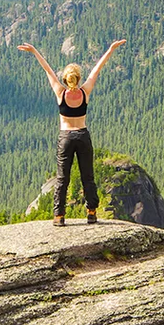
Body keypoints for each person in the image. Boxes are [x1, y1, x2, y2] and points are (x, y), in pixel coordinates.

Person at [18, 39, 127, 226]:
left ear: (66, 78)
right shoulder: (85, 92)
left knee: (62, 178)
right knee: (87, 177)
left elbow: (48, 70)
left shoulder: (60, 93)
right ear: (78, 77)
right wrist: (110, 49)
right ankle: (91, 212)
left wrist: (35, 51)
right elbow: (97, 69)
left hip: (66, 137)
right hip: (83, 136)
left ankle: (59, 216)